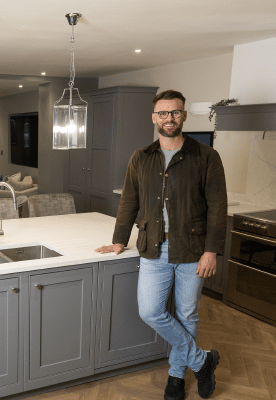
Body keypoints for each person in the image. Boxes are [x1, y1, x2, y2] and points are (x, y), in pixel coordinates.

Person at [95, 90, 227, 400]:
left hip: (193, 250)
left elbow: (217, 206)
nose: (169, 118)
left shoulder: (206, 156)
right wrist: (118, 239)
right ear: (154, 117)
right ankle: (202, 360)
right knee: (151, 311)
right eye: (163, 113)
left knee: (187, 315)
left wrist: (212, 250)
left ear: (183, 115)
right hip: (154, 247)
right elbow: (129, 200)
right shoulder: (141, 156)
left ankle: (176, 378)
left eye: (175, 112)